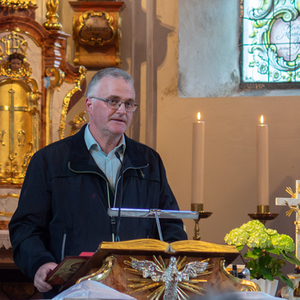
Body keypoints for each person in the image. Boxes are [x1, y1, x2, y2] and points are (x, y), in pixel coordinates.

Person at [9, 67, 187, 298]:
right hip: (72, 290)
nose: (122, 110)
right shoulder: (50, 160)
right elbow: (26, 228)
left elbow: (169, 224)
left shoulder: (148, 161)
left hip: (137, 290)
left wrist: (173, 267)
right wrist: (41, 264)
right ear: (90, 105)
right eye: (113, 101)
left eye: (129, 103)